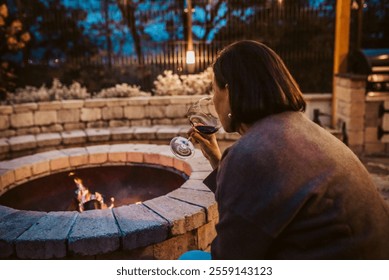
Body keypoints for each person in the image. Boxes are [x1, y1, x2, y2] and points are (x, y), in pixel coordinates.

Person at [187, 40, 389, 259]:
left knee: (190, 260)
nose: (213, 99)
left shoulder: (252, 153)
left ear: (228, 90)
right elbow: (269, 198)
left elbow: (230, 258)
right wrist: (219, 161)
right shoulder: (303, 129)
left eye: (213, 89)